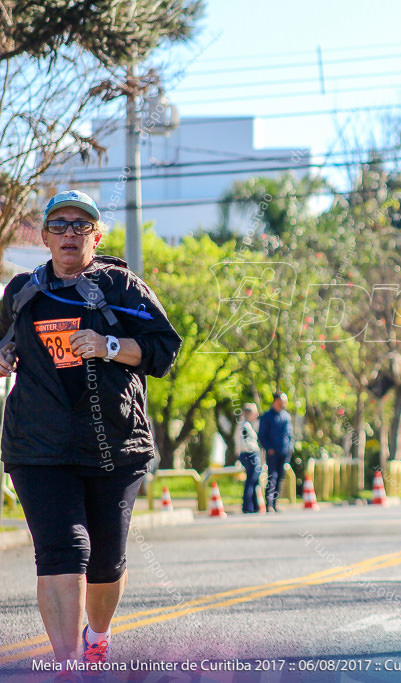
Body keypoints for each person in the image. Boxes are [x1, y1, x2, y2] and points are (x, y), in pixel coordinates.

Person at [0, 189, 181, 671]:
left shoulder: (124, 289)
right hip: (38, 444)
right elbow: (2, 343)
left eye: (81, 226)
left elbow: (164, 351)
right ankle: (68, 664)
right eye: (59, 226)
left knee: (105, 562)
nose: (69, 234)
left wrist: (109, 344)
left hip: (114, 443)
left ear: (96, 237)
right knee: (65, 550)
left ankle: (96, 636)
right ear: (43, 237)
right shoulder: (21, 291)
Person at [258, 392, 293, 512]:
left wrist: (289, 448)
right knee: (272, 477)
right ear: (275, 401)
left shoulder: (286, 416)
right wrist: (269, 448)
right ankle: (269, 503)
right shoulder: (267, 417)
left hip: (284, 452)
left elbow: (290, 435)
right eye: (281, 401)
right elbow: (262, 435)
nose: (283, 403)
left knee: (280, 478)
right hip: (273, 453)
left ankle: (275, 502)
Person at [235, 404, 262, 514]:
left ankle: (254, 506)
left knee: (254, 481)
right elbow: (245, 442)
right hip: (249, 454)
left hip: (248, 454)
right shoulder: (244, 426)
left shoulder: (247, 425)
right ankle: (248, 506)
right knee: (251, 480)